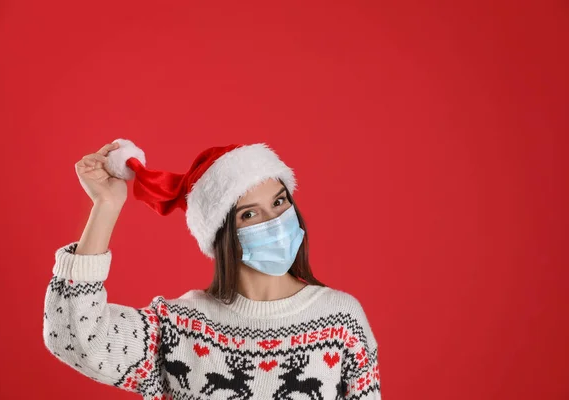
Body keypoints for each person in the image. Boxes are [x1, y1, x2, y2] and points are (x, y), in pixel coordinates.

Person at [43, 139, 382, 400]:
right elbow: (76, 338)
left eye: (279, 202)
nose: (275, 221)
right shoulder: (180, 329)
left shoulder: (342, 322)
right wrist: (106, 205)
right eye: (249, 214)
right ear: (223, 237)